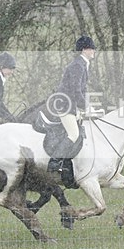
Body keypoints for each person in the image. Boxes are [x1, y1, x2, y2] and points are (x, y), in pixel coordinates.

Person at [40, 36, 96, 182]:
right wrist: (85, 106)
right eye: (91, 48)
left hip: (71, 104)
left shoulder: (82, 64)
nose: (93, 51)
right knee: (73, 134)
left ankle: (68, 164)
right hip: (65, 105)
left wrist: (86, 106)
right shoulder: (77, 65)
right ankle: (54, 162)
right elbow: (75, 89)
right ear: (84, 50)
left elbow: (81, 90)